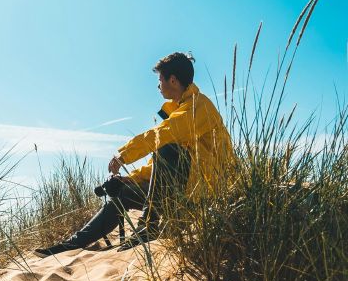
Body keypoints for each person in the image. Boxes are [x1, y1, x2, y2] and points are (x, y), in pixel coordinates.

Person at [35, 52, 233, 257]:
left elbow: (162, 136)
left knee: (167, 148)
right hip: (182, 187)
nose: (158, 86)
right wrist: (127, 180)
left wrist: (124, 155)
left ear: (172, 80)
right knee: (123, 194)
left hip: (203, 195)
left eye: (160, 80)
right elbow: (160, 167)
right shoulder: (180, 109)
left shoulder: (197, 107)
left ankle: (149, 227)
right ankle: (70, 245)